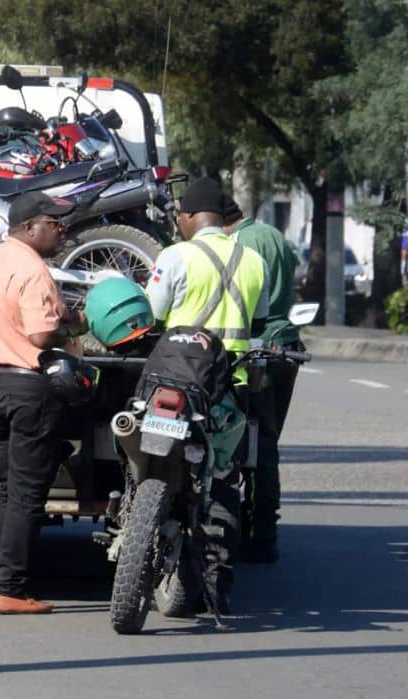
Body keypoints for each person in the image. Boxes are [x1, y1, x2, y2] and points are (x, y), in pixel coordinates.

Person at [145, 176, 268, 612]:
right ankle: (218, 585)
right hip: (228, 388)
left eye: (180, 215)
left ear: (191, 217)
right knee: (223, 481)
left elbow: (151, 313)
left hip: (175, 380)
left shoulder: (174, 255)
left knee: (146, 451)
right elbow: (258, 322)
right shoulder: (253, 260)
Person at [0, 191, 86, 615]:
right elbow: (40, 335)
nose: (62, 231)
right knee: (26, 496)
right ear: (30, 227)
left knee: (7, 492)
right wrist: (73, 328)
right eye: (55, 224)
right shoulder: (33, 269)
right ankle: (11, 590)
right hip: (29, 387)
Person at [222, 194, 300, 563]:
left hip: (260, 349)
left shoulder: (239, 245)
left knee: (256, 444)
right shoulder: (274, 235)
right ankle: (262, 528)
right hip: (287, 344)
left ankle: (261, 534)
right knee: (268, 441)